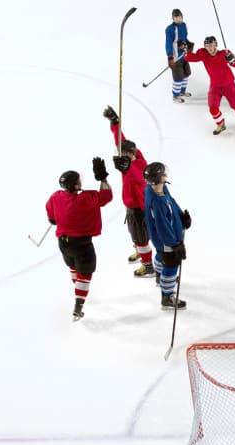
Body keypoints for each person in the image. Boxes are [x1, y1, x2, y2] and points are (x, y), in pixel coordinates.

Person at [45, 158, 113, 320]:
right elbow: (107, 196)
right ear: (75, 185)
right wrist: (102, 178)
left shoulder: (56, 196)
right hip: (81, 244)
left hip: (63, 242)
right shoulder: (86, 198)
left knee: (74, 267)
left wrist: (52, 218)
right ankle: (79, 304)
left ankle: (78, 291)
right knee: (85, 272)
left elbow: (49, 209)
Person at [102, 105, 155, 277]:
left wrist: (127, 167)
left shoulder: (138, 165)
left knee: (141, 237)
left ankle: (148, 265)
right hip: (131, 206)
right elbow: (120, 140)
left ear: (132, 155)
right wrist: (114, 123)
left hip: (138, 209)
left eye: (125, 155)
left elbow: (138, 176)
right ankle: (140, 251)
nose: (121, 156)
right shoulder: (134, 154)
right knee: (134, 234)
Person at [144, 162, 190, 310]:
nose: (166, 175)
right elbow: (162, 227)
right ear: (158, 178)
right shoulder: (156, 202)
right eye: (163, 173)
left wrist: (181, 215)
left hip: (162, 240)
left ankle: (159, 275)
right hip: (166, 241)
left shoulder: (160, 188)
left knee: (160, 255)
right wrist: (175, 245)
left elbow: (171, 201)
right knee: (171, 264)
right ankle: (167, 296)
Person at [184, 36, 235, 135]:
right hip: (215, 86)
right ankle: (221, 124)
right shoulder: (203, 53)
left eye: (211, 45)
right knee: (213, 108)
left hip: (229, 85)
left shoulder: (224, 53)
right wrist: (187, 50)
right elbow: (190, 58)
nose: (210, 48)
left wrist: (231, 59)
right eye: (207, 46)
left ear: (216, 45)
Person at [165, 9, 195, 103]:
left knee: (186, 73)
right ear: (173, 18)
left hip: (184, 54)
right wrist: (170, 56)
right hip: (176, 57)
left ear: (182, 16)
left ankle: (182, 92)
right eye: (175, 17)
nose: (178, 19)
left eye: (179, 17)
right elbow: (168, 43)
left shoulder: (184, 25)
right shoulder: (170, 29)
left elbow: (184, 37)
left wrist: (188, 43)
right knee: (178, 76)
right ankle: (175, 95)